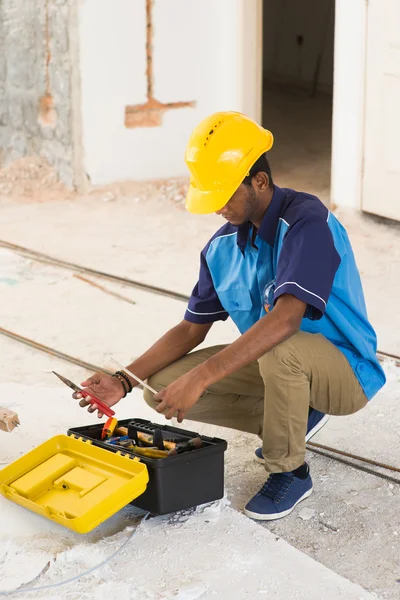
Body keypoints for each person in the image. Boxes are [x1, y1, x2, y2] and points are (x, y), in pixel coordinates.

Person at [74, 112, 386, 521]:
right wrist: (123, 381)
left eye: (224, 194)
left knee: (280, 347)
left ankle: (290, 471)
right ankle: (292, 419)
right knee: (161, 388)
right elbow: (190, 329)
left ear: (259, 181)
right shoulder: (221, 248)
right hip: (283, 365)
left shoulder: (308, 223)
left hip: (345, 370)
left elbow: (286, 320)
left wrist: (202, 377)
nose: (217, 206)